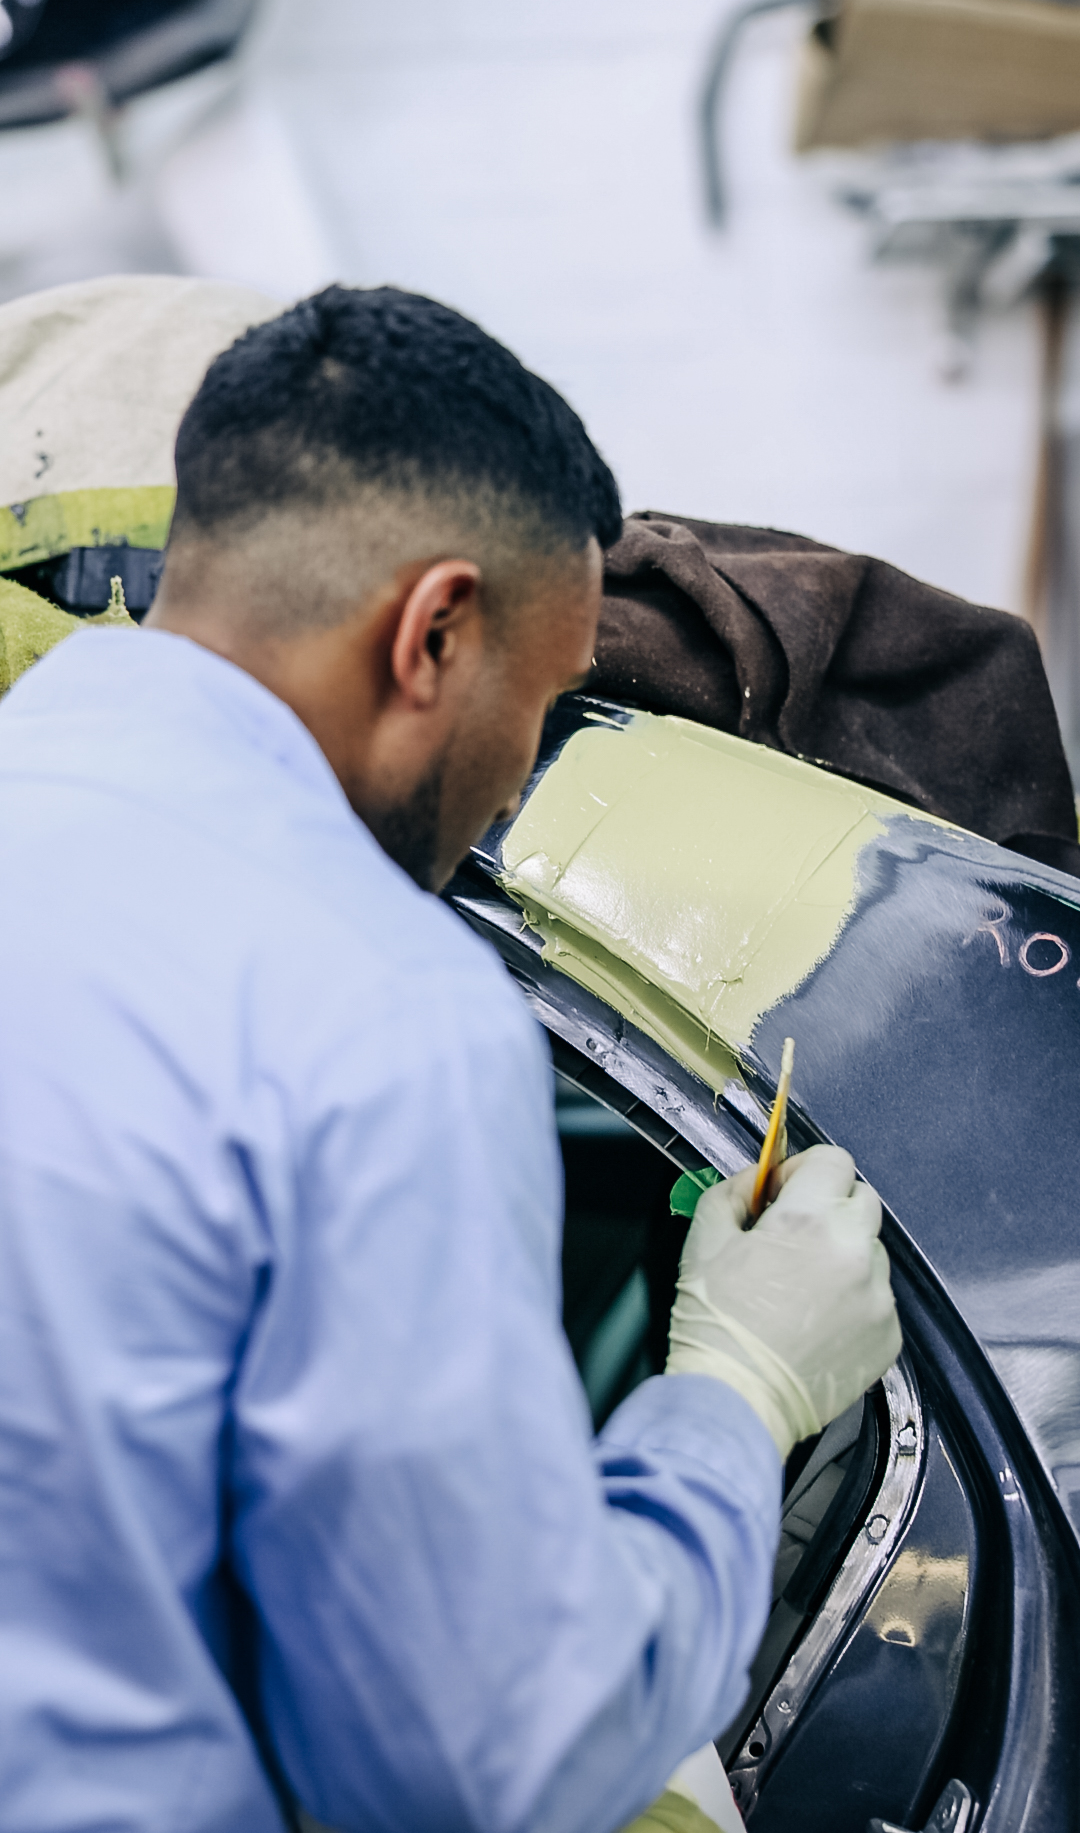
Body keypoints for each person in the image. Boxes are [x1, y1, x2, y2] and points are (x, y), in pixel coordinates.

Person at [0, 283, 901, 1833]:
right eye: (538, 699)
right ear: (431, 634)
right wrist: (735, 1400)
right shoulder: (369, 1006)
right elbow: (479, 1767)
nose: (506, 794)